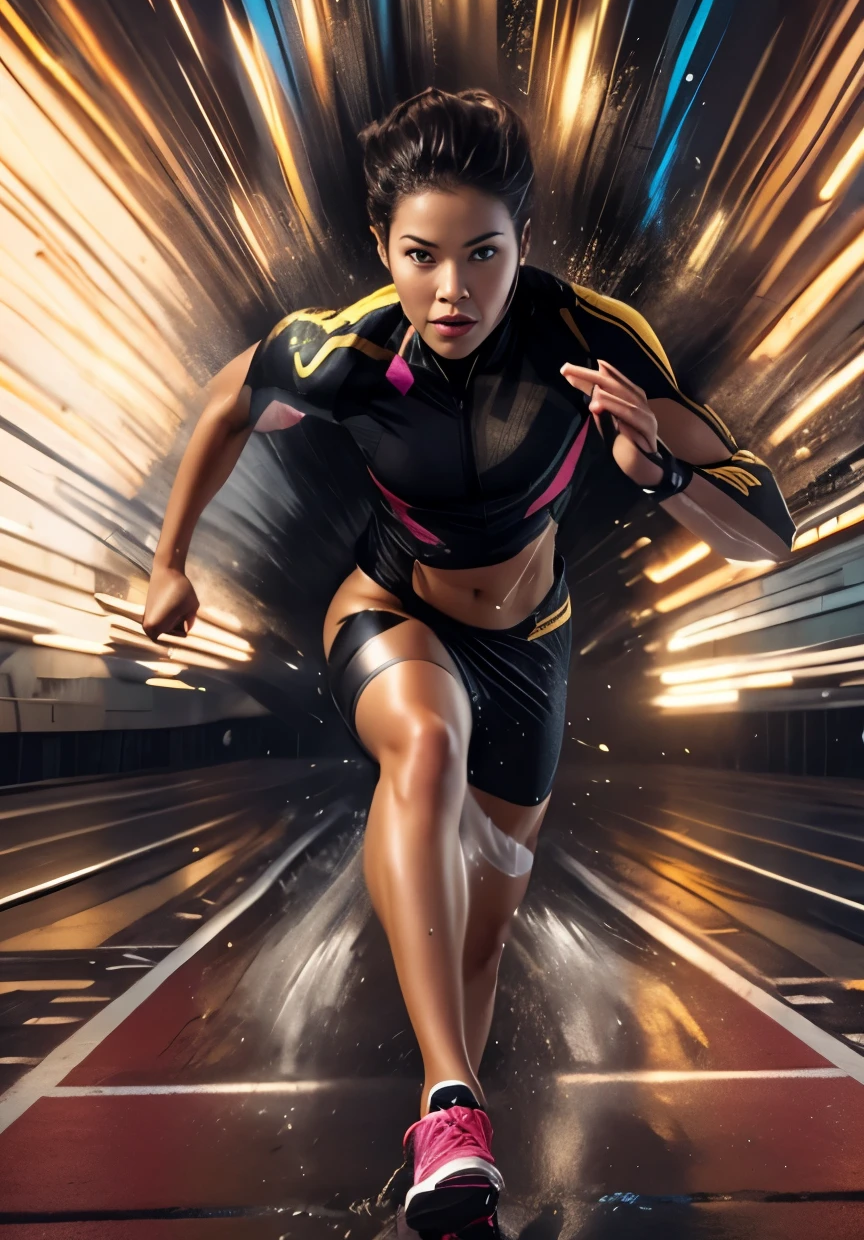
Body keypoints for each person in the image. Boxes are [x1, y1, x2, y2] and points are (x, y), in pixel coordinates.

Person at [143, 87, 794, 1238]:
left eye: (483, 255)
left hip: (532, 652)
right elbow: (224, 404)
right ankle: (448, 1099)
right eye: (421, 257)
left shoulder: (592, 337)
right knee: (428, 744)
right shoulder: (343, 349)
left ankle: (456, 1162)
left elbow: (766, 525)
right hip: (392, 610)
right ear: (383, 251)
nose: (452, 291)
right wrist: (170, 562)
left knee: (482, 931)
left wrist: (660, 475)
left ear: (524, 246)